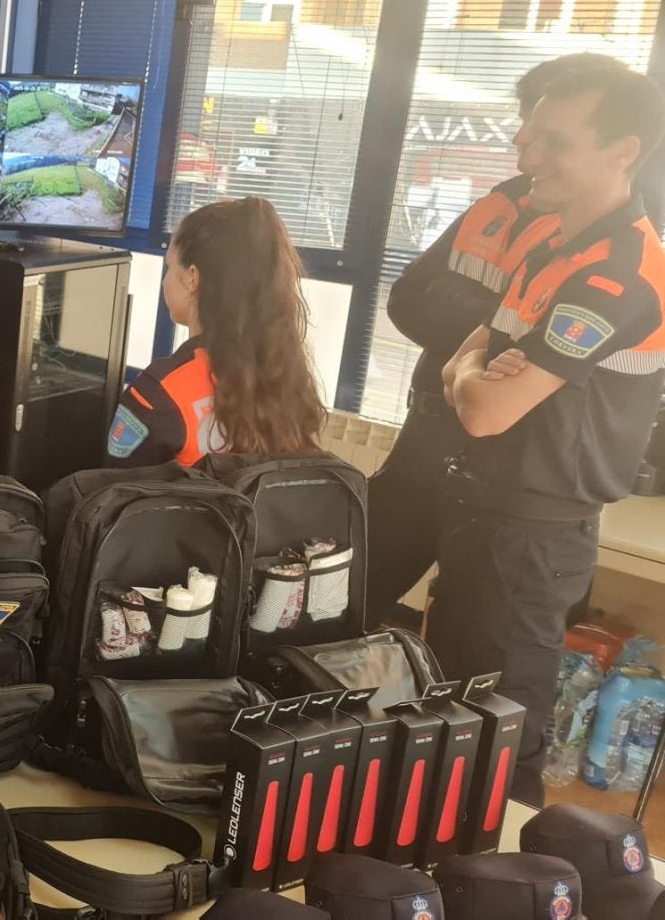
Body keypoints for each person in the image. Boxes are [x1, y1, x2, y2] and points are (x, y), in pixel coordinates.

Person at [434, 66, 665, 807]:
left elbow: (482, 410)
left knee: (505, 743)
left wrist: (475, 369)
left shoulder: (618, 275)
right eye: (531, 135)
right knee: (446, 718)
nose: (529, 158)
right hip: (483, 515)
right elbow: (463, 367)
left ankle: (505, 889)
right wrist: (476, 366)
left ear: (622, 151)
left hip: (536, 538)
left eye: (555, 142)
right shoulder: (551, 249)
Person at [366, 53, 629, 629]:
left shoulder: (617, 234)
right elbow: (408, 298)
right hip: (432, 428)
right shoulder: (506, 200)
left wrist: (480, 338)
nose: (526, 144)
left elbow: (556, 345)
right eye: (526, 125)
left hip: (520, 467)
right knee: (353, 591)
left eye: (547, 134)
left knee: (489, 650)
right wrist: (500, 333)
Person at [104, 196, 325, 467]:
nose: (165, 280)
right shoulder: (288, 376)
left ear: (192, 277)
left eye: (170, 267)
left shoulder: (160, 392)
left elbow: (111, 499)